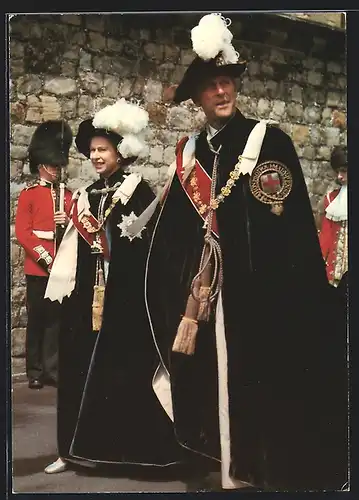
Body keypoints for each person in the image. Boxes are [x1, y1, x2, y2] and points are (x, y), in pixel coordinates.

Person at [145, 13, 348, 492]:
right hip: (210, 296)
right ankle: (228, 464)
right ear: (197, 96)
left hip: (259, 297)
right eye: (211, 86)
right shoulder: (190, 152)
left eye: (226, 82)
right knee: (215, 382)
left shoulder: (267, 141)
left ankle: (258, 468)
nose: (221, 92)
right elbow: (174, 228)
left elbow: (286, 227)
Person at [43, 99, 183, 474]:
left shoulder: (138, 192)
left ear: (121, 152)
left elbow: (154, 246)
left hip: (126, 300)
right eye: (92, 151)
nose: (96, 156)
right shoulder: (87, 194)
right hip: (87, 296)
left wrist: (112, 246)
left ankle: (126, 454)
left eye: (102, 149)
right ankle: (69, 450)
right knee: (76, 364)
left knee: (122, 371)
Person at [15, 120, 73, 389]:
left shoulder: (67, 195)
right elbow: (24, 233)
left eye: (58, 166)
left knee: (56, 320)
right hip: (38, 267)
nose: (56, 170)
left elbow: (77, 228)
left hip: (61, 264)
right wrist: (45, 258)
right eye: (53, 166)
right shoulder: (29, 195)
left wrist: (67, 218)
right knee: (37, 319)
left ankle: (53, 369)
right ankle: (35, 371)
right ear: (41, 165)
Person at [318, 146, 348, 288]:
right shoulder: (331, 199)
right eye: (338, 171)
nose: (339, 176)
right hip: (333, 275)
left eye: (344, 171)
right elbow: (325, 238)